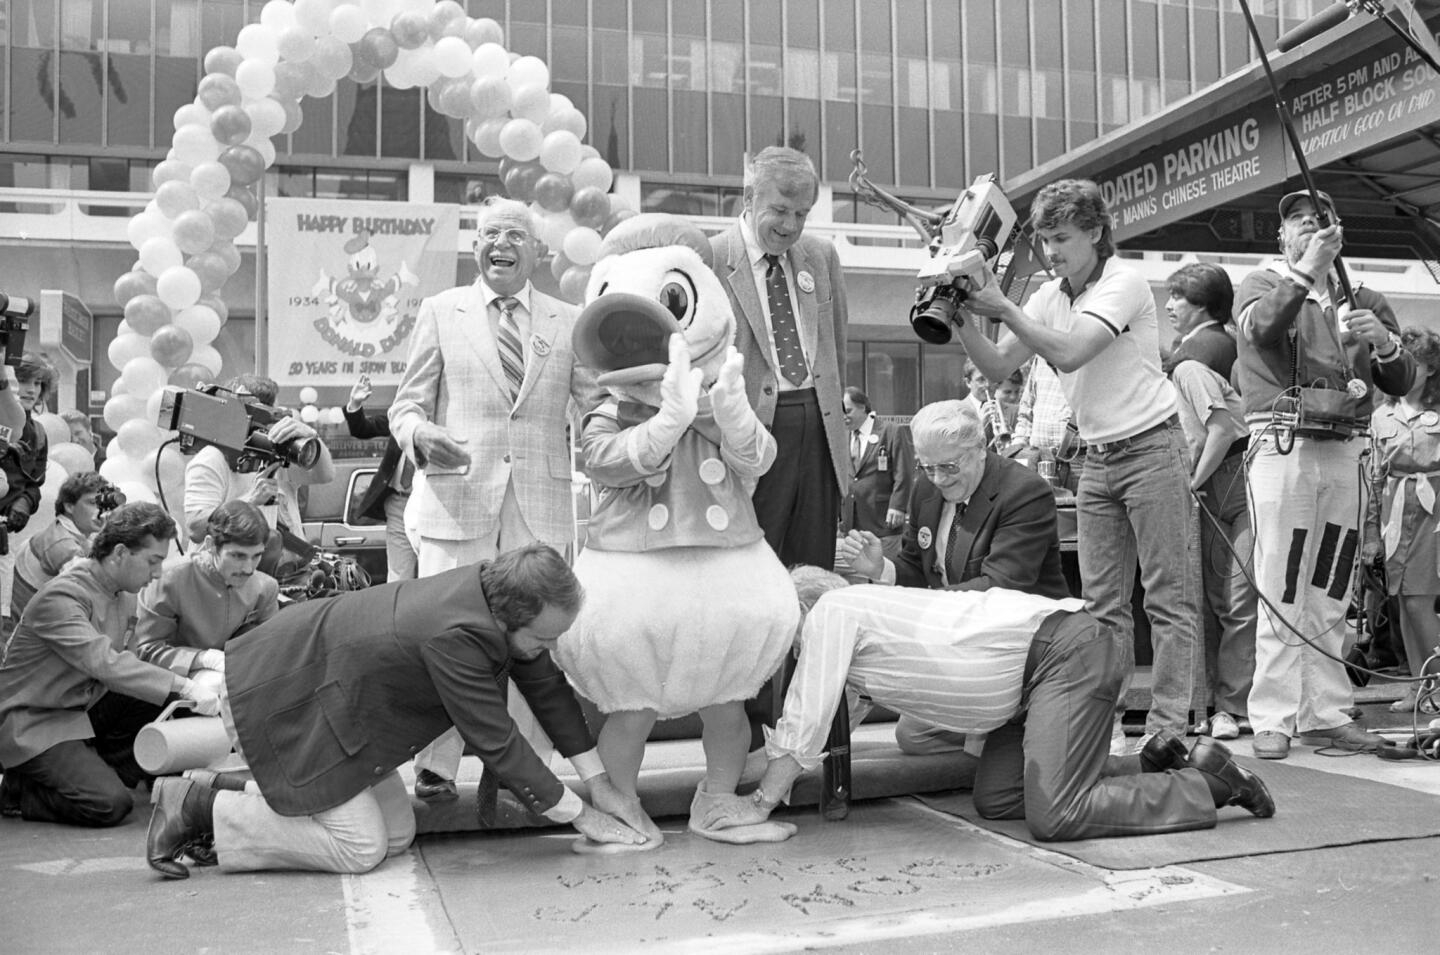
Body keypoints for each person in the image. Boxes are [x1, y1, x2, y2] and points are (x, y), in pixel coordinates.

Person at [143, 542, 652, 879]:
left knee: (397, 836)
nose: (548, 649)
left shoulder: (500, 595)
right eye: (544, 639)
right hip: (289, 694)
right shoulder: (457, 637)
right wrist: (582, 815)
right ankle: (194, 805)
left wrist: (602, 783)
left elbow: (548, 691)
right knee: (361, 849)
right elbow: (497, 740)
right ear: (509, 617)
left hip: (341, 701)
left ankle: (230, 799)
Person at [699, 568, 1274, 843]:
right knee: (999, 799)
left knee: (1056, 817)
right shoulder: (854, 637)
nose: (787, 655)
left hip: (1063, 654)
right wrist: (718, 785)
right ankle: (1151, 761)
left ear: (796, 612)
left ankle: (1211, 784)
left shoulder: (833, 613)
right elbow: (813, 735)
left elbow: (801, 719)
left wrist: (759, 803)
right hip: (1033, 683)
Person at [950, 179, 1202, 746]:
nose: (1053, 251)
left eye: (1062, 237)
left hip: (1152, 447)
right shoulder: (1048, 296)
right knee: (1102, 606)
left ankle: (1169, 733)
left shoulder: (1125, 282)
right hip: (1096, 458)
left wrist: (1004, 306)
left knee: (1167, 599)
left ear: (1095, 232)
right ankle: (1102, 727)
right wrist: (960, 311)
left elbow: (1067, 351)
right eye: (1044, 240)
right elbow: (994, 366)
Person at [389, 197, 597, 800]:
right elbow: (407, 403)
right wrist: (418, 434)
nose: (500, 244)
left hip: (539, 504)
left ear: (538, 251)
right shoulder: (440, 310)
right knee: (444, 634)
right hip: (456, 500)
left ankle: (523, 770)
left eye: (513, 234)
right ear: (475, 246)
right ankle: (435, 765)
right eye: (488, 234)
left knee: (535, 641)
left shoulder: (568, 319)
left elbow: (592, 407)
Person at [1236, 190, 1415, 759]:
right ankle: (1273, 714)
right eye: (1298, 221)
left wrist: (1383, 340)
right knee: (1283, 579)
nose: (1310, 227)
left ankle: (1326, 710)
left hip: (1346, 446)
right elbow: (1261, 332)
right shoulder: (1263, 284)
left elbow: (1402, 379)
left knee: (1332, 583)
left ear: (1338, 232)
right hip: (1283, 442)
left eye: (1321, 219)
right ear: (1282, 238)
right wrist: (1305, 275)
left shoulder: (1363, 295)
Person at [709, 145, 850, 744]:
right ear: (749, 199)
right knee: (748, 577)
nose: (791, 226)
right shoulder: (711, 256)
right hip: (748, 433)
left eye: (802, 213)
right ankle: (739, 721)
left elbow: (835, 344)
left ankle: (801, 716)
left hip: (815, 428)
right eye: (780, 211)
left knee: (811, 573)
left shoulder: (820, 256)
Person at [840, 399, 1067, 754]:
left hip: (1017, 646)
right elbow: (916, 565)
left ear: (979, 449)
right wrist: (880, 568)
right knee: (911, 737)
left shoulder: (1024, 492)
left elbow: (999, 587)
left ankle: (1011, 728)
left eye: (948, 466)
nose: (938, 479)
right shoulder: (926, 489)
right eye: (927, 467)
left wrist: (911, 614)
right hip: (958, 637)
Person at [0, 503, 221, 827]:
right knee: (109, 805)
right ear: (120, 553)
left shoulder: (124, 591)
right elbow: (106, 663)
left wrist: (195, 669)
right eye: (153, 561)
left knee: (170, 699)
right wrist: (184, 684)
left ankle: (108, 774)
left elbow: (130, 661)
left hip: (82, 708)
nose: (158, 573)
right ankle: (19, 791)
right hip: (35, 721)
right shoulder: (63, 596)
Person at [1170, 350, 1255, 741]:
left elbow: (1220, 430)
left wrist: (1191, 484)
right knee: (1213, 602)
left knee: (1241, 599)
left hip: (1236, 480)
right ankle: (1217, 705)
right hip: (1210, 489)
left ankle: (1233, 706)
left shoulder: (1186, 370)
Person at [1369, 328, 1440, 714]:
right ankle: (1419, 686)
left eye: (1415, 364)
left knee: (1418, 603)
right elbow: (1373, 476)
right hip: (1394, 510)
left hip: (1434, 511)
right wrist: (1369, 534)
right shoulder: (1382, 414)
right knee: (1401, 603)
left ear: (1431, 369)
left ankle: (1438, 686)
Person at [182, 373, 335, 550]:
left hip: (281, 571)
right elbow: (196, 529)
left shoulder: (278, 451)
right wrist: (249, 501)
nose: (277, 422)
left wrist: (310, 435)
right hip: (230, 571)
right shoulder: (212, 458)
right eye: (271, 416)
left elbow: (325, 475)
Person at [134, 501, 279, 676]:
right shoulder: (168, 579)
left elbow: (270, 649)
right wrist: (202, 659)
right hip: (175, 678)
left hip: (237, 672)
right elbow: (147, 651)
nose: (248, 569)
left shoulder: (265, 588)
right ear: (210, 545)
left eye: (257, 556)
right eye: (238, 556)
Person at [343, 373, 417, 581]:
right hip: (398, 502)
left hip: (432, 502)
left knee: (436, 571)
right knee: (398, 574)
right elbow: (362, 429)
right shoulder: (401, 417)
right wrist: (355, 403)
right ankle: (398, 612)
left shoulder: (443, 418)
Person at [11, 471, 109, 618]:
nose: (101, 511)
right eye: (93, 503)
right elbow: (90, 591)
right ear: (69, 506)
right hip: (26, 628)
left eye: (104, 504)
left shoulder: (65, 531)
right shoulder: (62, 543)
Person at [839, 387, 911, 546]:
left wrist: (898, 506)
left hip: (883, 522)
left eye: (848, 411)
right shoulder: (843, 436)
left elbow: (904, 472)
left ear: (862, 407)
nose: (844, 416)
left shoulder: (890, 431)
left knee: (884, 568)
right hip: (851, 524)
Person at [1163, 262, 1238, 379]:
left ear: (1201, 302)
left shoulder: (1200, 345)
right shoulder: (1221, 339)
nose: (1168, 305)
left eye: (1176, 298)